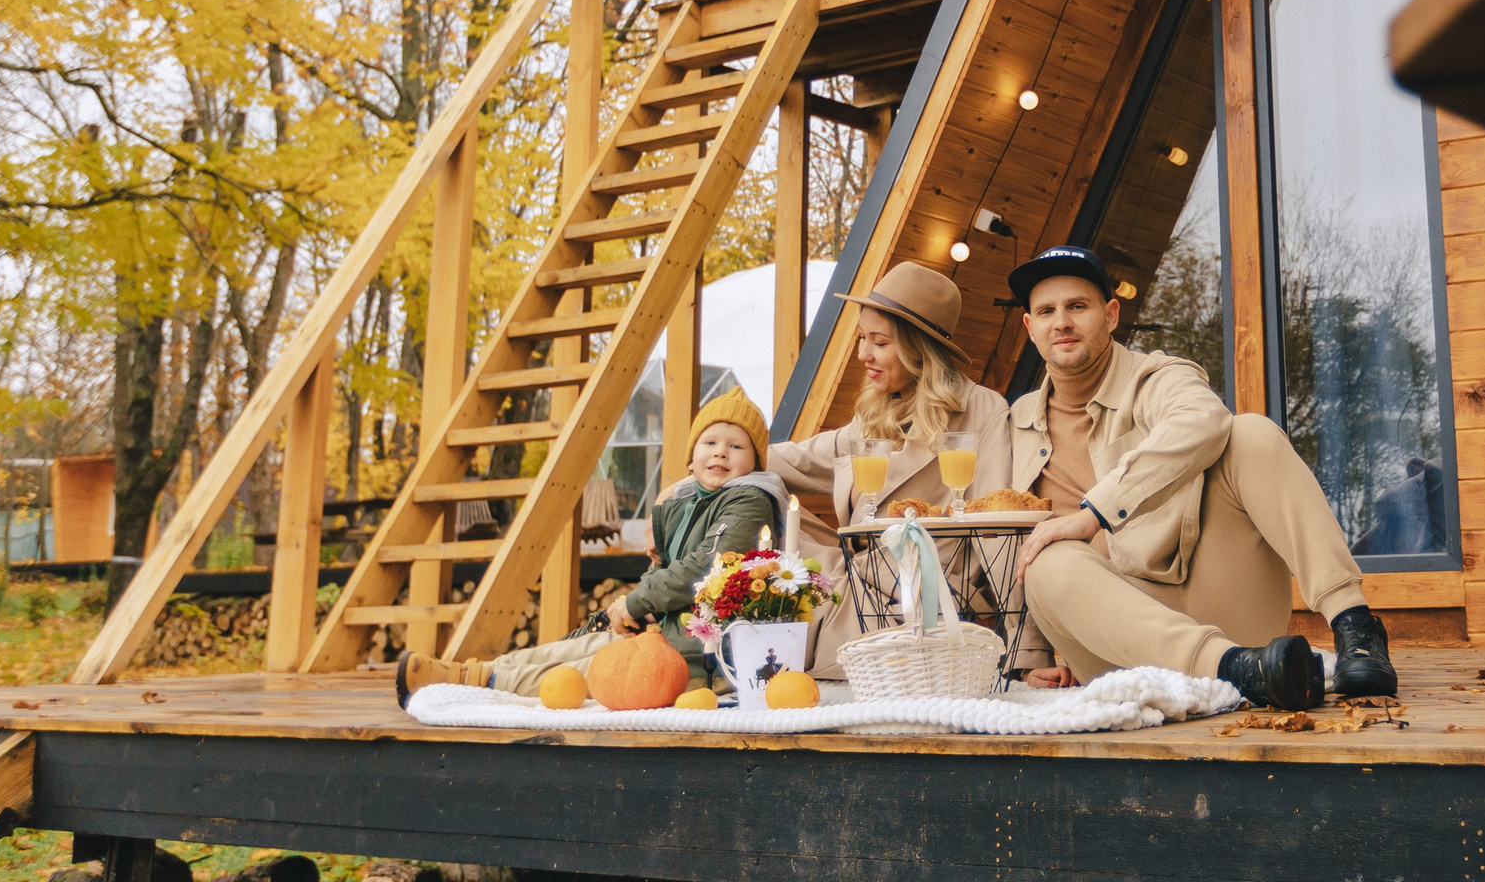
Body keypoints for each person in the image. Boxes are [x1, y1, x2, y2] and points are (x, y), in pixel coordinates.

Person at [1004, 244, 1397, 710]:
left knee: (1250, 434)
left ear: (1110, 315)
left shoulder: (1157, 377)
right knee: (1048, 561)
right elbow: (1012, 539)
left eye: (1077, 307)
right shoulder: (1017, 422)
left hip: (1223, 606)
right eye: (1047, 311)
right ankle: (1237, 671)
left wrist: (1095, 514)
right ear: (1030, 327)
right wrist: (1031, 654)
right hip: (1119, 647)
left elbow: (1202, 418)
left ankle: (1356, 627)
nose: (1062, 322)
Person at [394, 388, 789, 702]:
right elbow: (667, 568)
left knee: (595, 666)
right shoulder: (685, 502)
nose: (721, 451)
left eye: (736, 447)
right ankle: (467, 673)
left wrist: (637, 602)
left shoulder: (749, 500)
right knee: (571, 649)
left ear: (754, 462)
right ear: (691, 457)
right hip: (667, 630)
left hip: (705, 650)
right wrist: (644, 606)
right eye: (710, 442)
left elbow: (707, 568)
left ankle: (477, 684)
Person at [766, 261, 1013, 674]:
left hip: (926, 594)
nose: (863, 354)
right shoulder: (876, 413)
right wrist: (698, 474)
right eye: (863, 338)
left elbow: (997, 532)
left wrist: (1023, 653)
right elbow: (797, 459)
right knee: (754, 499)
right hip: (856, 579)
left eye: (878, 342)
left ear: (919, 348)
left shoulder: (983, 412)